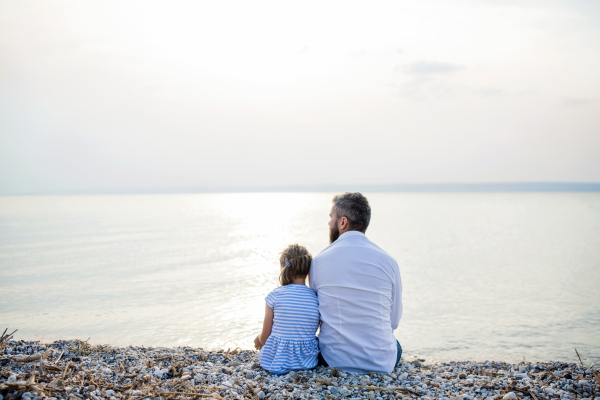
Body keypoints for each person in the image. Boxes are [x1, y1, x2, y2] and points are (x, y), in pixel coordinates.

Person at [309, 192, 403, 373]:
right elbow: (393, 321)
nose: (329, 223)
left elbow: (315, 319)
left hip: (332, 359)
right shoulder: (389, 262)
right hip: (381, 362)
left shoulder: (319, 261)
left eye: (331, 218)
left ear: (343, 222)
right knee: (395, 345)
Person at [254, 244, 320, 374]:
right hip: (307, 362)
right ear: (308, 271)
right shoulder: (315, 297)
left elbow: (265, 338)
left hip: (276, 361)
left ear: (284, 268)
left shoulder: (275, 295)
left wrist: (257, 339)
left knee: (260, 340)